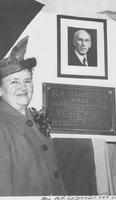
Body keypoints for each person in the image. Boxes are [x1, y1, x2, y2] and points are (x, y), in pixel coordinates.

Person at [0, 36, 66, 196]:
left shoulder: (35, 118)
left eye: (27, 81)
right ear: (0, 90)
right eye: (14, 82)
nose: (23, 87)